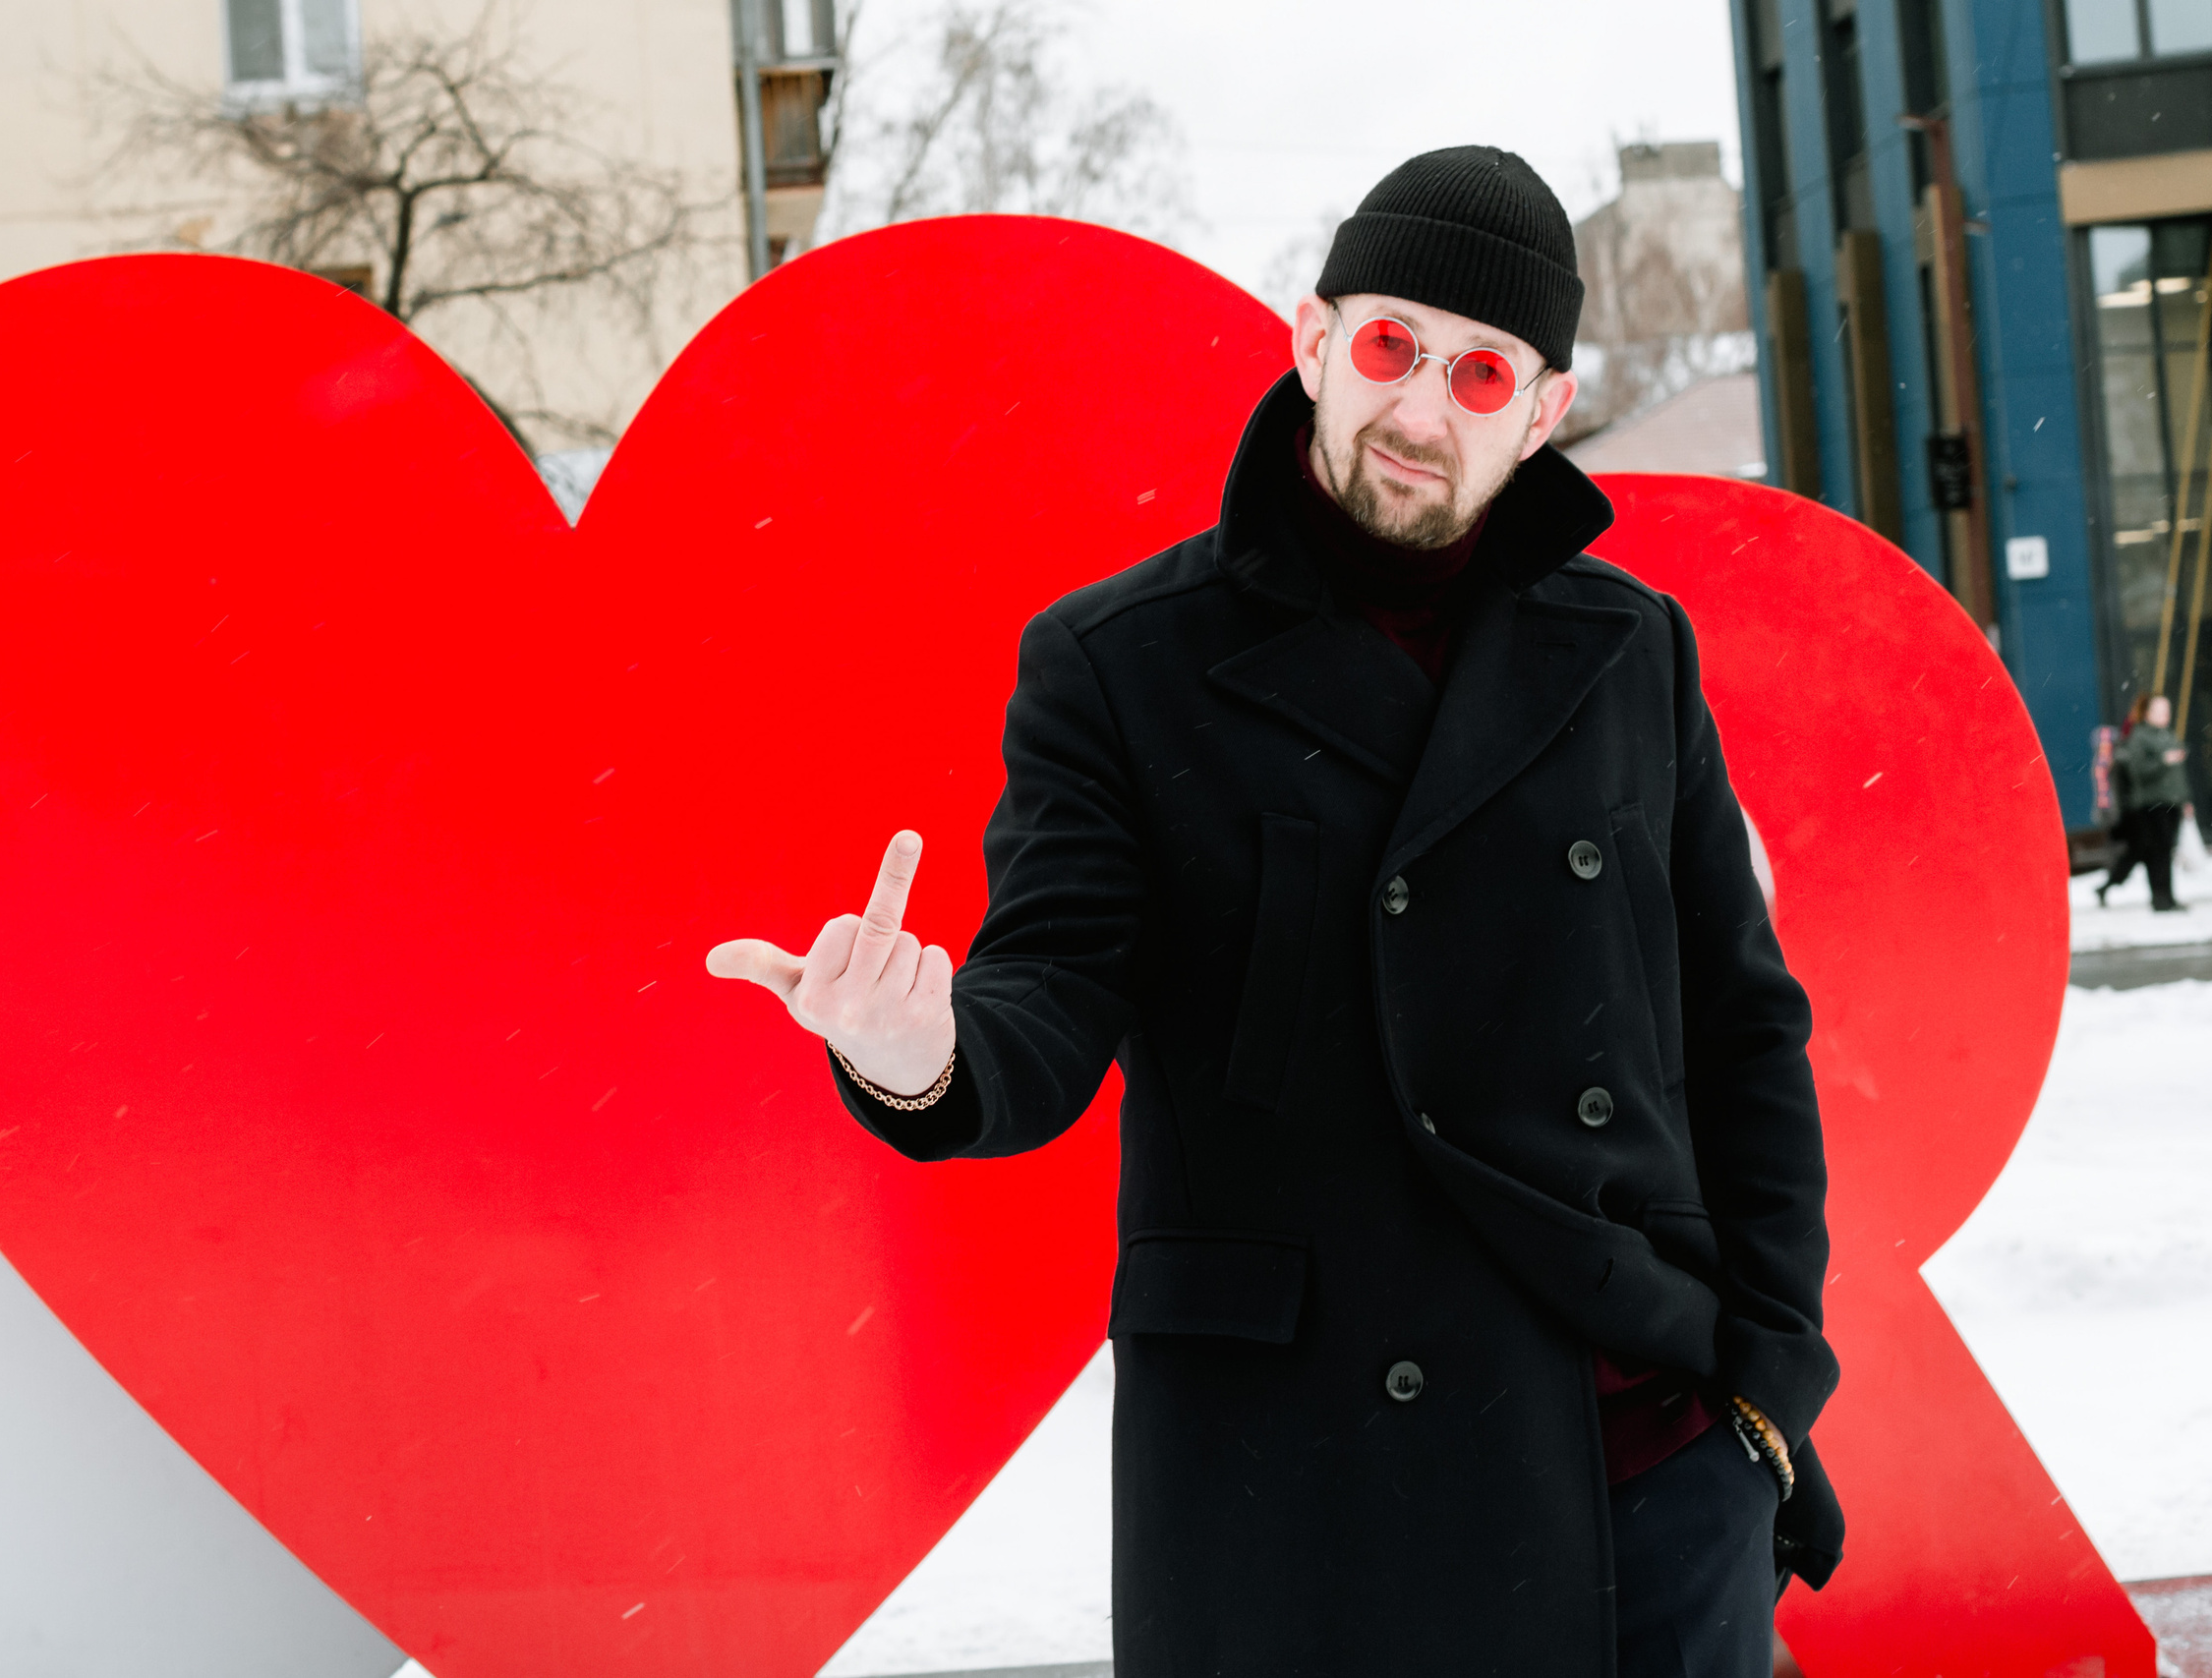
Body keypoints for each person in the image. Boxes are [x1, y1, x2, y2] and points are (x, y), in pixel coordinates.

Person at [709, 146, 1840, 1677]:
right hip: (1304, 1487)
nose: (1424, 411)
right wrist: (921, 1050)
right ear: (1312, 340)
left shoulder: (1630, 651)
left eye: (1483, 373)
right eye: (1391, 347)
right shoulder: (1123, 665)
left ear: (1546, 411)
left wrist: (1765, 1381)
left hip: (1636, 1463)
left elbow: (1741, 1027)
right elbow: (1050, 985)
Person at [2110, 694, 2190, 911]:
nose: (2165, 715)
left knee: (2166, 850)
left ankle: (2168, 897)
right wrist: (2163, 761)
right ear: (2147, 714)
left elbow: (2178, 775)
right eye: (2159, 711)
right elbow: (2138, 771)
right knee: (2157, 852)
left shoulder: (2167, 735)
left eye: (2167, 710)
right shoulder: (2140, 737)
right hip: (2152, 803)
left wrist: (2185, 799)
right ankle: (2160, 897)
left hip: (2170, 801)